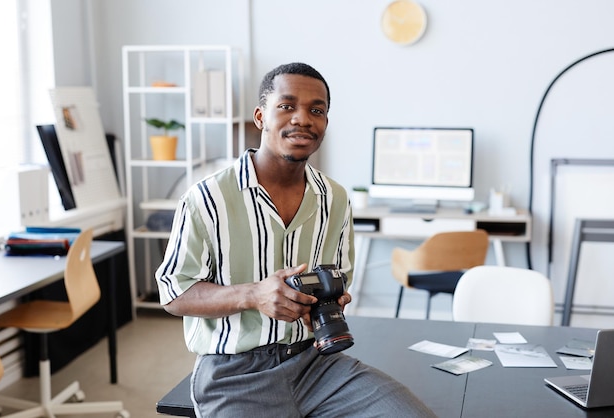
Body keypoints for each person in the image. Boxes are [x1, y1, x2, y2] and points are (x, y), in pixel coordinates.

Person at [155, 62, 436, 417]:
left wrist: (333, 296)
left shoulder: (335, 198)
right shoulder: (206, 199)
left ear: (325, 124)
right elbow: (173, 293)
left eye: (316, 110)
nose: (302, 118)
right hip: (234, 374)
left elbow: (340, 274)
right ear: (260, 116)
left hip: (317, 363)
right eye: (287, 106)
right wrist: (254, 294)